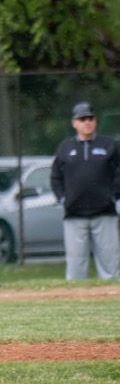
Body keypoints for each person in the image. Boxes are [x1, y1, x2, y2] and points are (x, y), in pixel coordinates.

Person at [50, 101, 120, 280]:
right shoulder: (65, 148)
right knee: (75, 267)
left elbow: (118, 174)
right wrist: (63, 200)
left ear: (95, 121)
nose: (86, 122)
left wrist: (113, 197)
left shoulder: (108, 145)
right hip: (74, 213)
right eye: (82, 119)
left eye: (90, 118)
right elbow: (55, 177)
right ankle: (75, 300)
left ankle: (110, 300)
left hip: (105, 212)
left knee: (110, 265)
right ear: (74, 123)